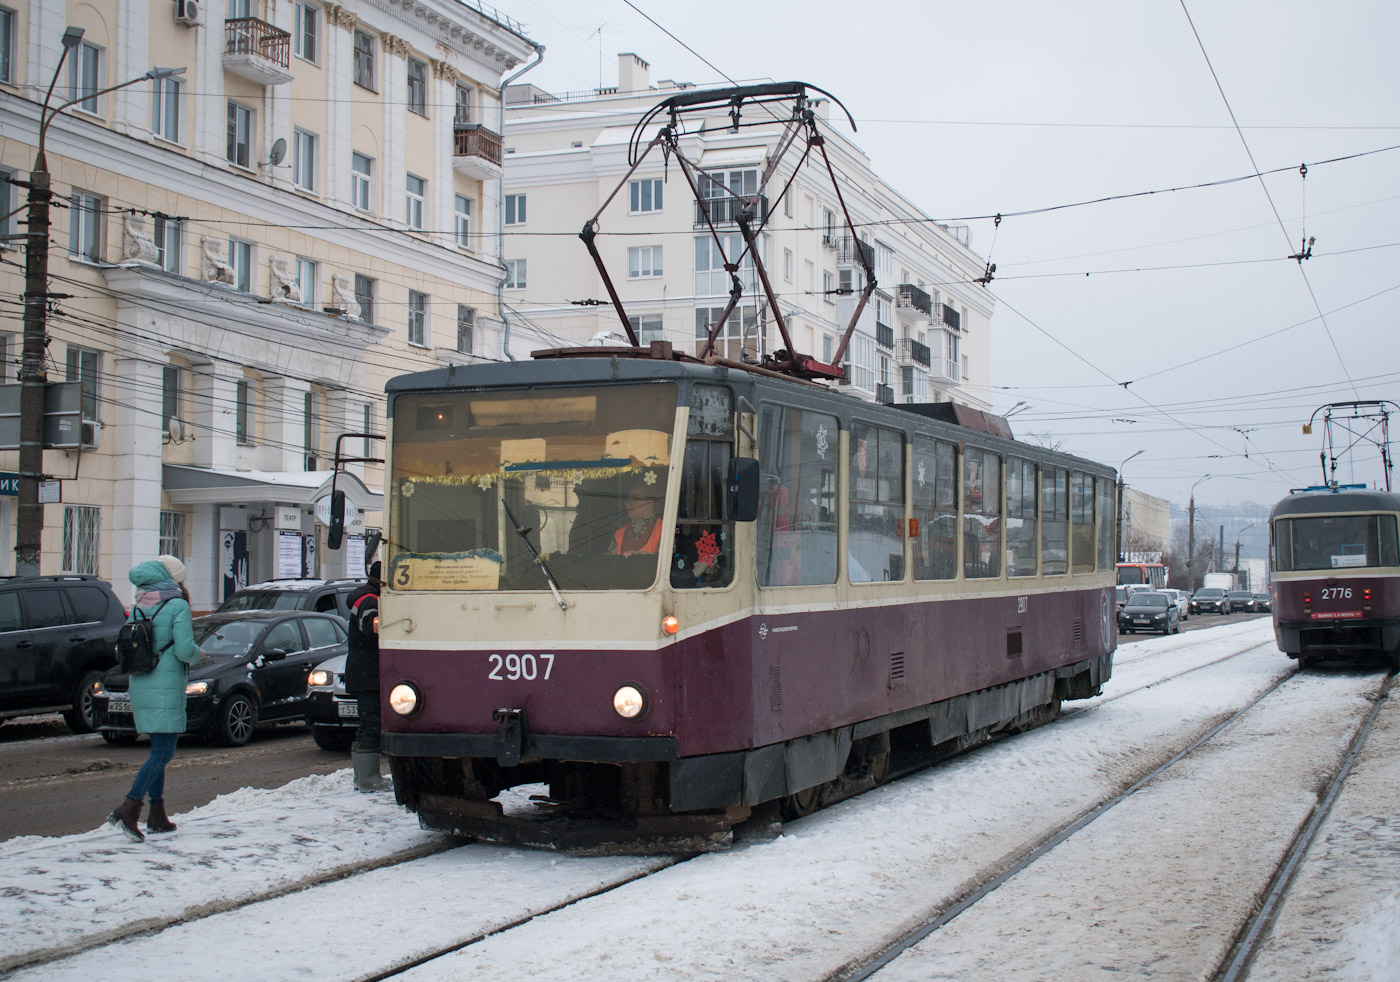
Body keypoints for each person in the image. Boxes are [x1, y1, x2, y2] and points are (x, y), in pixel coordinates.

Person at [107, 555, 202, 842]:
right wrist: (200, 655)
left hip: (141, 682)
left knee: (158, 748)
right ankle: (130, 805)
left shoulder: (139, 605)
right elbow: (185, 650)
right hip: (166, 683)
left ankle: (157, 814)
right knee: (164, 752)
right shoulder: (177, 605)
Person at [345, 561, 390, 792]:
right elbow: (369, 626)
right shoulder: (370, 600)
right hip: (368, 671)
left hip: (361, 670)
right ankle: (369, 779)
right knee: (373, 723)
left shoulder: (362, 596)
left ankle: (361, 777)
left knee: (366, 723)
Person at [609, 482, 662, 556]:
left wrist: (642, 557)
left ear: (650, 503)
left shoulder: (664, 529)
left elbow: (667, 560)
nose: (627, 504)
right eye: (627, 501)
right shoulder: (619, 533)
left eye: (633, 500)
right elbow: (609, 563)